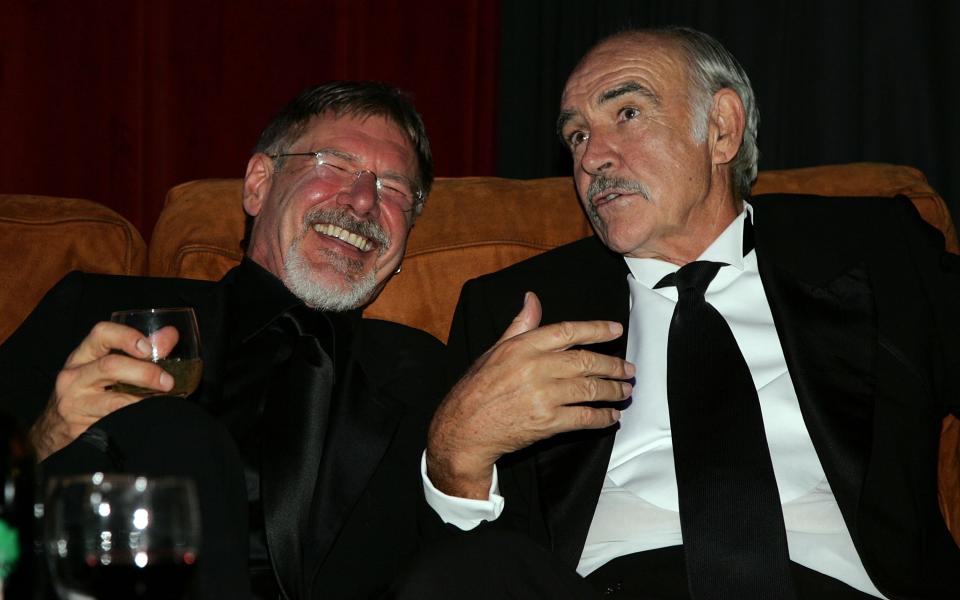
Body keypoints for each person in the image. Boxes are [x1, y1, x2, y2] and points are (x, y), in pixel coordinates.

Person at [411, 27, 960, 599]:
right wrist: (457, 459)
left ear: (721, 128)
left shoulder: (877, 249)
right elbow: (460, 562)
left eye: (626, 112)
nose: (592, 157)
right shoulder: (517, 309)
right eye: (576, 135)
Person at [0, 81, 444, 599]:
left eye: (394, 189)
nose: (364, 200)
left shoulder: (429, 378)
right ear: (258, 184)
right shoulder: (94, 309)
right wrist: (46, 438)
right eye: (334, 164)